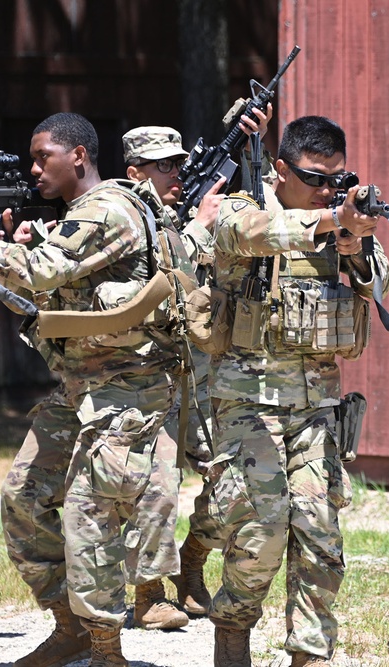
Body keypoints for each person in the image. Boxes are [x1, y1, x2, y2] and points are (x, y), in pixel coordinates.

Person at [0, 111, 196, 667]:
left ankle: (105, 649)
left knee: (89, 515)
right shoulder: (81, 214)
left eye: (41, 155)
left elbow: (44, 270)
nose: (33, 169)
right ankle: (69, 627)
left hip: (125, 391)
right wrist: (1, 246)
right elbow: (46, 290)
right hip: (83, 388)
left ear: (78, 156)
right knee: (24, 499)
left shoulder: (109, 209)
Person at [208, 115, 389, 667]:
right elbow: (248, 235)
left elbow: (375, 281)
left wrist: (355, 237)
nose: (328, 189)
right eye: (315, 178)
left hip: (316, 406)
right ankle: (233, 631)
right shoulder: (242, 205)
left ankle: (310, 656)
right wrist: (329, 219)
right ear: (281, 169)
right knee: (258, 530)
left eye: (336, 179)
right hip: (247, 403)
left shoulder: (339, 218)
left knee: (320, 535)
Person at [120, 110, 270, 625]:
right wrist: (200, 231)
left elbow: (266, 209)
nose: (176, 175)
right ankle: (148, 593)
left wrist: (252, 141)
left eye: (180, 165)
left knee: (231, 477)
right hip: (151, 369)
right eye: (163, 167)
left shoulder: (185, 211)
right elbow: (160, 282)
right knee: (154, 483)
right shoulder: (126, 217)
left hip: (205, 367)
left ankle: (194, 560)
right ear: (136, 169)